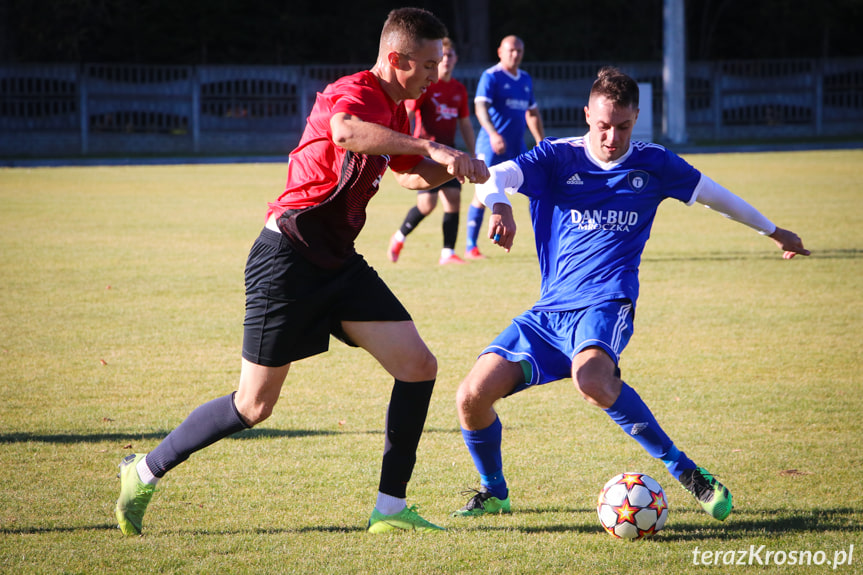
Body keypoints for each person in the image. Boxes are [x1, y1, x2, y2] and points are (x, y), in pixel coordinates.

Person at [113, 7, 488, 536]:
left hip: (338, 262)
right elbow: (346, 134)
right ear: (396, 58)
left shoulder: (402, 109)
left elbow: (406, 174)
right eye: (427, 64)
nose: (435, 74)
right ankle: (143, 470)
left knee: (418, 365)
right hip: (287, 256)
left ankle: (389, 509)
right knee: (253, 405)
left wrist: (455, 168)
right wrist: (434, 146)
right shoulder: (355, 91)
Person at [451, 67, 809, 521]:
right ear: (587, 115)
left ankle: (688, 472)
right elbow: (490, 177)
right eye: (602, 126)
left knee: (593, 382)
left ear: (636, 118)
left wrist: (774, 231)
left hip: (605, 304)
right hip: (548, 314)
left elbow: (716, 197)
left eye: (622, 127)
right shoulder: (556, 158)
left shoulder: (654, 163)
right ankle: (494, 491)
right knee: (470, 397)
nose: (611, 137)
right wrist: (501, 204)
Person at [388, 37, 477, 265]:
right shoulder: (427, 86)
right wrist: (403, 142)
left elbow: (465, 123)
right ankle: (399, 237)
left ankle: (447, 253)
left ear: (456, 59)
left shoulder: (458, 90)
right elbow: (407, 113)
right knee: (427, 206)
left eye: (450, 56)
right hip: (427, 152)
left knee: (454, 199)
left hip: (450, 151)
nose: (446, 61)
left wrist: (473, 152)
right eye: (442, 57)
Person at [464, 35, 544, 260]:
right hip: (491, 146)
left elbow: (532, 112)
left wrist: (540, 140)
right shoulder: (491, 76)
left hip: (516, 146)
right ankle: (471, 246)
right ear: (500, 51)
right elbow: (480, 107)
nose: (515, 54)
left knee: (536, 189)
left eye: (519, 50)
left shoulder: (525, 79)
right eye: (511, 50)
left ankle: (544, 241)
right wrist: (493, 134)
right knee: (482, 193)